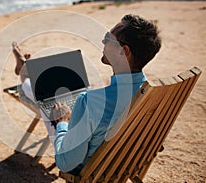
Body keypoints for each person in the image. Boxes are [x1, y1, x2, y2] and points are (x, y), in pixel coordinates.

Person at [12, 14, 161, 174]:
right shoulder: (154, 95)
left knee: (48, 101)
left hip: (90, 169)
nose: (103, 43)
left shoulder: (90, 102)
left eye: (107, 39)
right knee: (64, 93)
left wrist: (62, 123)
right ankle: (27, 70)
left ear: (123, 51)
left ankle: (26, 73)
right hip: (124, 163)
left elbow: (66, 163)